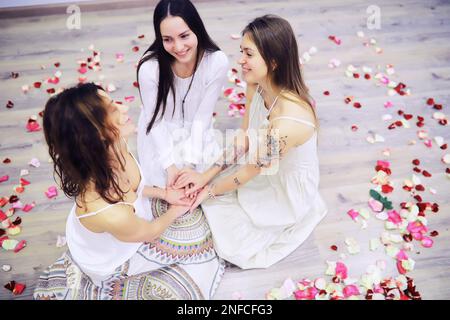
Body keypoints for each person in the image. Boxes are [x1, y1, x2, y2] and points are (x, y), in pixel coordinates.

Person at [33, 83, 224, 300]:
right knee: (196, 249)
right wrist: (174, 211)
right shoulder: (109, 212)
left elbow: (135, 187)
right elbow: (150, 232)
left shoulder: (115, 145)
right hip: (111, 253)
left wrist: (165, 194)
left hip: (127, 220)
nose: (124, 108)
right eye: (113, 109)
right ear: (96, 134)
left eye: (114, 102)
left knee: (200, 227)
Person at [174, 15, 328, 269]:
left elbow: (248, 172)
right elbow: (245, 136)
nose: (241, 60)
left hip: (285, 186)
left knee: (232, 242)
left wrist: (208, 191)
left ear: (274, 61)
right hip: (262, 162)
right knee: (211, 184)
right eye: (241, 51)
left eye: (248, 54)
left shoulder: (287, 123)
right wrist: (205, 176)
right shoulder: (255, 83)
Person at [136, 0, 229, 192]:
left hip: (198, 131)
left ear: (197, 29)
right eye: (168, 39)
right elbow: (155, 120)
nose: (178, 47)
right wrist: (170, 166)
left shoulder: (216, 62)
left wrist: (190, 164)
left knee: (201, 184)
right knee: (165, 187)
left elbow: (202, 117)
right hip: (159, 134)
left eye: (184, 36)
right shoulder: (149, 69)